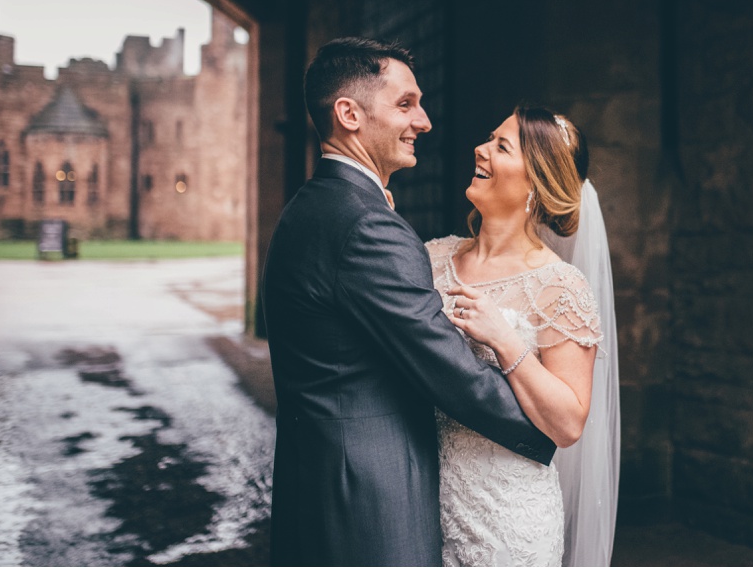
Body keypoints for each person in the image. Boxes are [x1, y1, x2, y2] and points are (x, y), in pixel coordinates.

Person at [261, 38, 555, 566]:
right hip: (370, 501)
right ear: (349, 114)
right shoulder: (367, 224)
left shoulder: (310, 206)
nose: (424, 121)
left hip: (319, 484)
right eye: (405, 104)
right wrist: (545, 427)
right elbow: (447, 367)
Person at [428, 105, 620, 566]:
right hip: (426, 501)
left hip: (508, 519)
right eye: (488, 138)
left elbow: (570, 422)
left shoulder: (559, 287)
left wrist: (505, 339)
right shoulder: (432, 258)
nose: (480, 149)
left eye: (501, 146)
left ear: (535, 182)